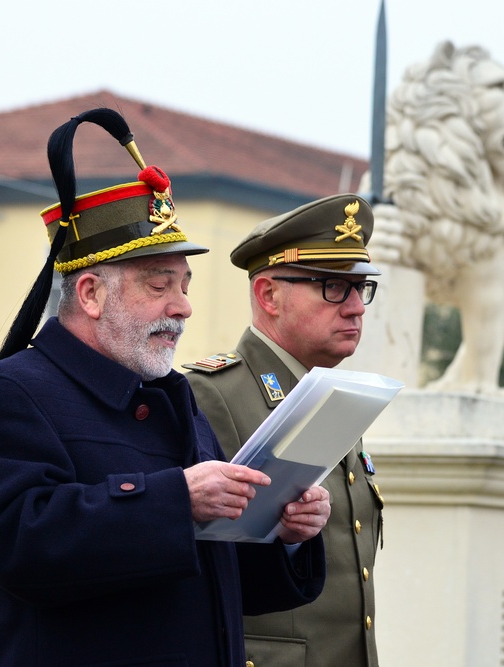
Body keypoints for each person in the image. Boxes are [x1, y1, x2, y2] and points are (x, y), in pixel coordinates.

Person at [0, 108, 330, 666]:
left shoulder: (177, 399)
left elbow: (227, 586)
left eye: (185, 284)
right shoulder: (8, 395)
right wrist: (179, 499)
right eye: (159, 284)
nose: (184, 306)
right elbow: (23, 547)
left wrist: (284, 530)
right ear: (92, 295)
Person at [185, 193, 385, 666]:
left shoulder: (332, 397)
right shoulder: (212, 393)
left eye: (362, 288)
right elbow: (198, 555)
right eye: (334, 288)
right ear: (269, 295)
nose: (356, 307)